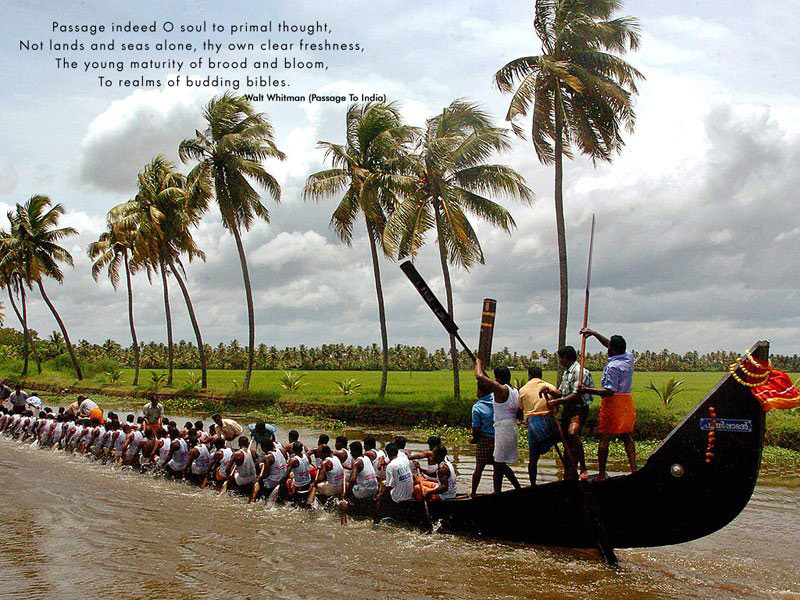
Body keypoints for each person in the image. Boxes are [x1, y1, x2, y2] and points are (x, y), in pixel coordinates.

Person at [578, 329, 637, 480]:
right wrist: (593, 333)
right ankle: (634, 468)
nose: (607, 349)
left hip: (614, 402)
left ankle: (602, 475)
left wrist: (586, 389)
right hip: (627, 401)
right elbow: (609, 343)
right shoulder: (628, 357)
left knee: (605, 438)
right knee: (627, 436)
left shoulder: (613, 367)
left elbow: (609, 391)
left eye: (610, 348)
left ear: (614, 350)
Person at [474, 359, 522, 493]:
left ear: (499, 378)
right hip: (512, 427)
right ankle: (514, 489)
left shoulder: (501, 389)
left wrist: (478, 363)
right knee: (500, 465)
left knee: (498, 466)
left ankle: (497, 492)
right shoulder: (514, 390)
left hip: (503, 429)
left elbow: (480, 377)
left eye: (496, 377)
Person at [518, 366, 561, 485]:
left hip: (533, 423)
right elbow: (557, 405)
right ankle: (569, 472)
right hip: (550, 422)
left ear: (529, 376)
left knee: (533, 459)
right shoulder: (550, 386)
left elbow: (521, 408)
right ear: (541, 376)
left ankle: (533, 484)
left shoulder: (522, 390)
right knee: (564, 443)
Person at [469, 381, 495, 496]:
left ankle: (473, 493)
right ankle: (516, 487)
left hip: (484, 439)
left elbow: (476, 428)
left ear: (479, 391)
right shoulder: (497, 399)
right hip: (499, 437)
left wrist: (474, 439)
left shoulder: (477, 407)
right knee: (500, 466)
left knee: (479, 466)